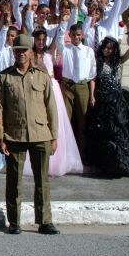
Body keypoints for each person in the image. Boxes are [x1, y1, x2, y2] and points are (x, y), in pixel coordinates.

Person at [0, 34, 60, 235]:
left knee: (42, 180)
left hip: (40, 134)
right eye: (17, 50)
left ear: (32, 52)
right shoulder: (5, 77)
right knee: (13, 180)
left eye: (24, 50)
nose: (21, 54)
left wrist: (54, 136)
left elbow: (51, 107)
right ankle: (14, 221)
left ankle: (45, 221)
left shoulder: (42, 76)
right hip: (14, 134)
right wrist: (1, 137)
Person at [86, 30, 129, 176]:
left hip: (117, 100)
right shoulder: (98, 62)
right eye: (105, 47)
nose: (107, 50)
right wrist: (92, 96)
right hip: (102, 99)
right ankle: (106, 163)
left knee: (121, 130)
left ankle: (122, 163)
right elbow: (93, 79)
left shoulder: (118, 61)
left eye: (110, 48)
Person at [25, 29, 83, 177]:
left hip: (52, 86)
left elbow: (59, 34)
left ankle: (58, 160)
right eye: (38, 39)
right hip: (37, 87)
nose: (41, 42)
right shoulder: (31, 54)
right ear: (34, 40)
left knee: (55, 119)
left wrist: (63, 21)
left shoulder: (49, 51)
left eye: (43, 39)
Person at [56, 23, 96, 161]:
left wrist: (91, 95)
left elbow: (92, 73)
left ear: (82, 35)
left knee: (82, 120)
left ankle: (82, 152)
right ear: (70, 35)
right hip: (67, 85)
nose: (76, 38)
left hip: (82, 86)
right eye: (73, 35)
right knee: (66, 119)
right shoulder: (65, 48)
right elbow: (59, 39)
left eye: (78, 35)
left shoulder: (88, 51)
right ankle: (65, 153)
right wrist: (63, 22)